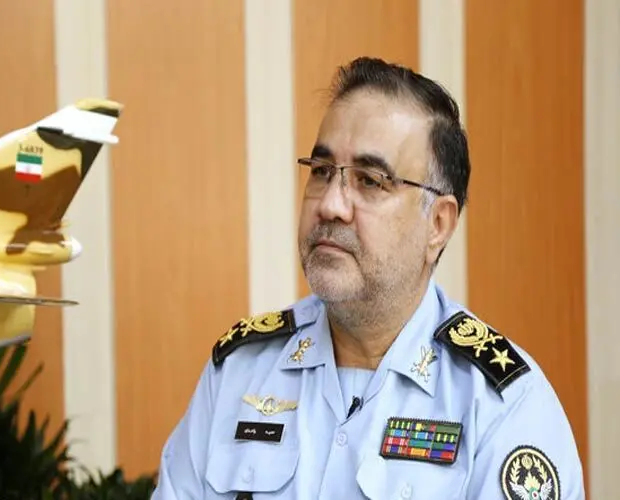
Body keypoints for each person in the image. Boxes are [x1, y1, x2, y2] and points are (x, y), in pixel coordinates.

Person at [151, 57, 584, 499]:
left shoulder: (500, 406)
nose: (331, 205)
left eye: (371, 181)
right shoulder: (240, 372)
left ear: (437, 224)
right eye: (322, 172)